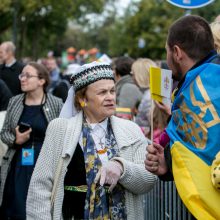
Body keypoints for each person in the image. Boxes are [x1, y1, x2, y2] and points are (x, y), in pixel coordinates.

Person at [26, 61, 157, 220]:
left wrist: (122, 168)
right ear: (82, 98)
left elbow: (148, 180)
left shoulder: (130, 130)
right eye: (102, 92)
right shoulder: (60, 129)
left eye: (112, 91)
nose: (110, 97)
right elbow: (40, 186)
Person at [145, 15, 220, 219]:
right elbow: (199, 146)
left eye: (167, 51)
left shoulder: (192, 90)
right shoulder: (189, 88)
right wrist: (166, 164)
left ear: (176, 52)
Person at [0, 62, 63, 219]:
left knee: (42, 205)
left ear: (41, 81)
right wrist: (16, 140)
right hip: (19, 164)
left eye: (28, 76)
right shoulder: (15, 101)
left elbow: (62, 135)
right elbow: (4, 133)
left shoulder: (55, 103)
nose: (22, 79)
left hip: (46, 163)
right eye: (21, 75)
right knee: (17, 205)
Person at [131, 58, 157, 135]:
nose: (132, 78)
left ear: (140, 75)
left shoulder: (149, 97)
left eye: (133, 74)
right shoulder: (151, 93)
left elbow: (151, 126)